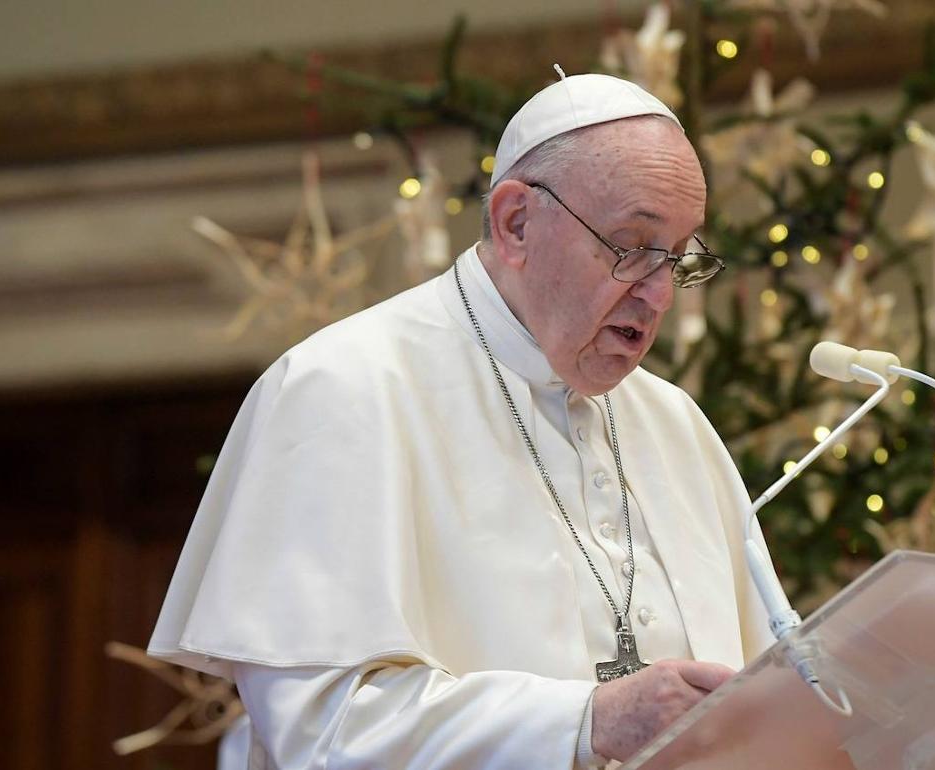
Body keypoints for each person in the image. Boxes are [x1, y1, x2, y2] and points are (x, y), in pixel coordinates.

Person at [149, 71, 776, 769]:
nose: (659, 295)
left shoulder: (675, 424)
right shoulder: (342, 387)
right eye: (631, 247)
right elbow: (320, 732)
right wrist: (587, 722)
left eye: (679, 258)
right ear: (516, 224)